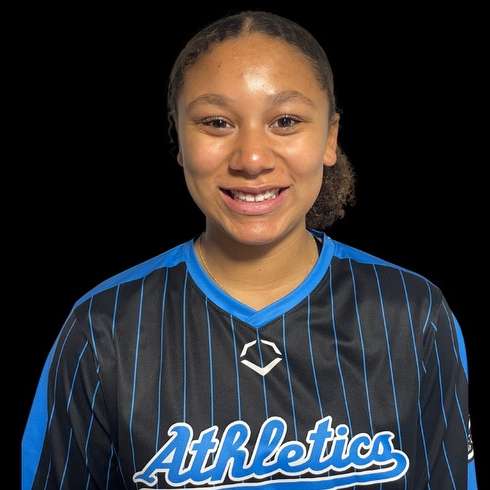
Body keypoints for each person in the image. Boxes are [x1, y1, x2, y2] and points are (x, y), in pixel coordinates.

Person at [22, 9, 478, 489]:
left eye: (285, 120)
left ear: (329, 138)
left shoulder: (412, 312)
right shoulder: (104, 327)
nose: (252, 159)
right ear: (179, 139)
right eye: (217, 122)